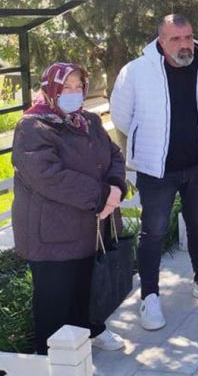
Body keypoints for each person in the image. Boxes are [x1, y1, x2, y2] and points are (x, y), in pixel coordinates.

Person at [110, 14, 198, 331]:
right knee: (154, 231)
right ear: (161, 41)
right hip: (157, 169)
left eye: (188, 37)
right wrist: (150, 140)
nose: (184, 44)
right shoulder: (136, 71)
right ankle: (149, 296)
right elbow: (121, 117)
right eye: (175, 39)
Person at [12, 62, 126, 354]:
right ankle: (52, 357)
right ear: (50, 89)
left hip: (88, 226)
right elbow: (47, 175)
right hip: (52, 233)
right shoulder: (32, 127)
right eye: (65, 87)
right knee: (55, 301)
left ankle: (89, 331)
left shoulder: (88, 120)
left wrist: (115, 185)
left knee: (85, 288)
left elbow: (113, 154)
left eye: (78, 86)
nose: (73, 93)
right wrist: (102, 195)